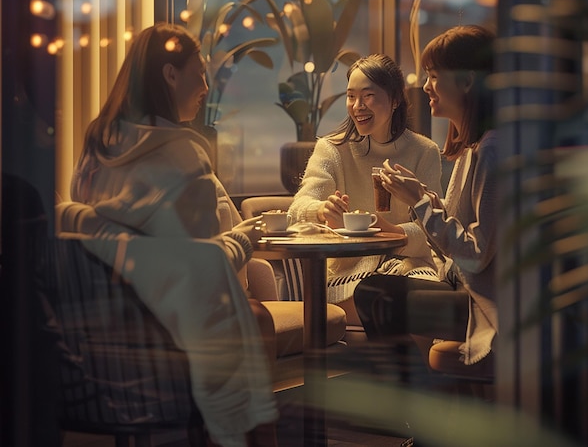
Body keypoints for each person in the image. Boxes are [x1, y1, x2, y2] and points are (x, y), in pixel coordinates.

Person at [69, 22, 277, 447]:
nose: (205, 85)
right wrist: (244, 238)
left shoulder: (96, 146)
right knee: (256, 319)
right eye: (199, 72)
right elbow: (197, 268)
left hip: (98, 338)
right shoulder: (181, 155)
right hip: (164, 335)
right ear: (170, 74)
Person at [353, 24, 497, 381]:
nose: (426, 86)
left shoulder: (492, 150)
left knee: (378, 296)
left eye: (433, 76)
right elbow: (460, 236)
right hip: (465, 287)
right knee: (374, 290)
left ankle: (420, 418)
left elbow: (476, 254)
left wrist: (420, 202)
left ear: (465, 81)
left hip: (490, 304)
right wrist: (422, 197)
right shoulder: (474, 147)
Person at [288, 53, 443, 307]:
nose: (358, 106)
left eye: (368, 96)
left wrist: (392, 231)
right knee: (383, 297)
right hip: (350, 272)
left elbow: (433, 231)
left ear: (394, 100)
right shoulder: (333, 149)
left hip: (410, 267)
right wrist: (321, 210)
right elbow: (296, 211)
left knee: (416, 296)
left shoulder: (423, 151)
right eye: (351, 96)